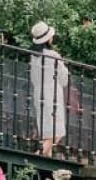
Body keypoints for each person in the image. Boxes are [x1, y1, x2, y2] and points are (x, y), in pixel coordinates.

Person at [29, 21, 68, 157]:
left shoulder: (33, 56)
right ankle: (32, 160)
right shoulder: (53, 56)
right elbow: (64, 80)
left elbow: (33, 79)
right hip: (52, 95)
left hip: (38, 93)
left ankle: (47, 176)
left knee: (46, 132)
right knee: (56, 133)